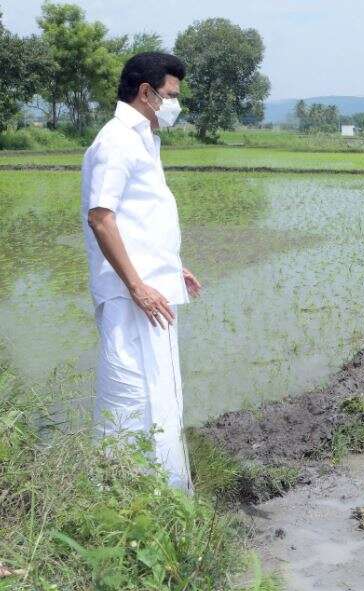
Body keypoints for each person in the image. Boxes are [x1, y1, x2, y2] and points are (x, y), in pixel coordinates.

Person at [81, 52, 201, 492]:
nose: (175, 105)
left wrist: (172, 268)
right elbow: (101, 217)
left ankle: (162, 496)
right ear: (146, 92)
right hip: (132, 297)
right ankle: (119, 497)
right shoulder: (115, 141)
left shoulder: (144, 139)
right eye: (171, 95)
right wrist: (137, 286)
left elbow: (139, 220)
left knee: (161, 398)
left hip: (152, 292)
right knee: (131, 398)